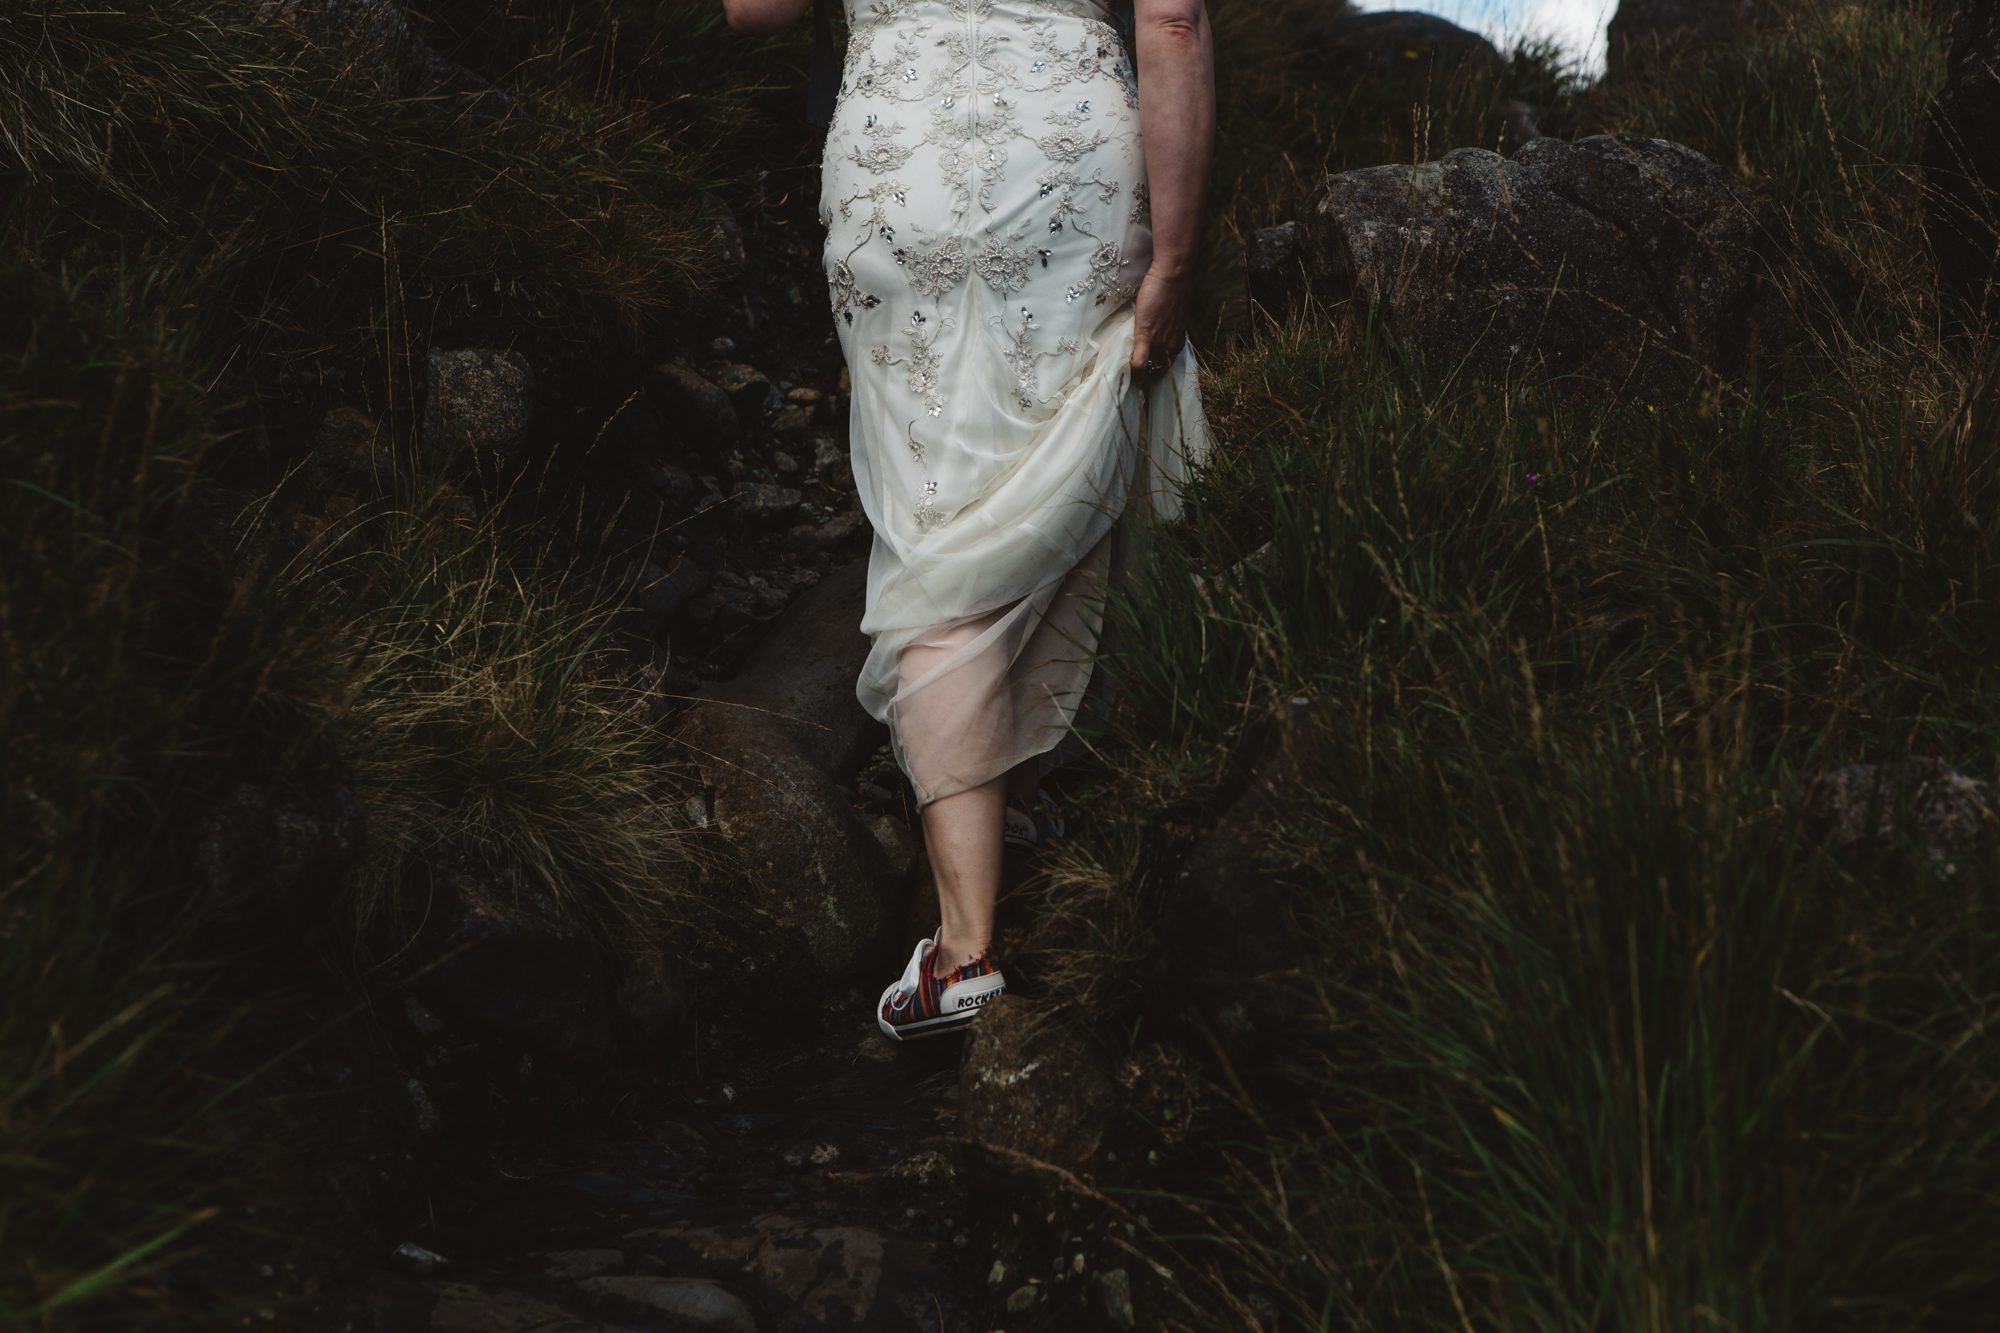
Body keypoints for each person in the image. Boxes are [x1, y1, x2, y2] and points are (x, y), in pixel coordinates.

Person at [721, 0, 1215, 1040]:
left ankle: (964, 947)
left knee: (936, 516)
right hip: (1065, 161)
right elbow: (1172, 21)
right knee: (1059, 451)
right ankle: (1040, 800)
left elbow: (750, 11)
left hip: (899, 167)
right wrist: (1174, 256)